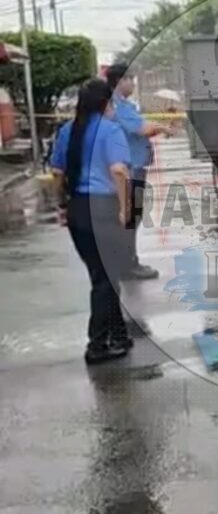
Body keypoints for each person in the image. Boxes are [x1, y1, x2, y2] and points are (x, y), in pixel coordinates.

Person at [50, 79, 133, 364]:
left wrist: (61, 205)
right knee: (106, 280)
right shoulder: (110, 131)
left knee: (102, 276)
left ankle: (119, 334)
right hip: (103, 209)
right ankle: (97, 345)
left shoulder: (67, 131)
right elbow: (119, 171)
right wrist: (126, 209)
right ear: (104, 102)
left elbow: (57, 173)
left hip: (78, 208)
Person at [105, 63, 174, 280]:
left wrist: (158, 127)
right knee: (129, 216)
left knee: (129, 216)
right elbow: (141, 128)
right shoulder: (118, 106)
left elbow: (141, 128)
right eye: (130, 79)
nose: (133, 84)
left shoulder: (121, 105)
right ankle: (128, 264)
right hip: (129, 169)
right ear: (119, 81)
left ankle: (125, 261)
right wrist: (164, 128)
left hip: (132, 166)